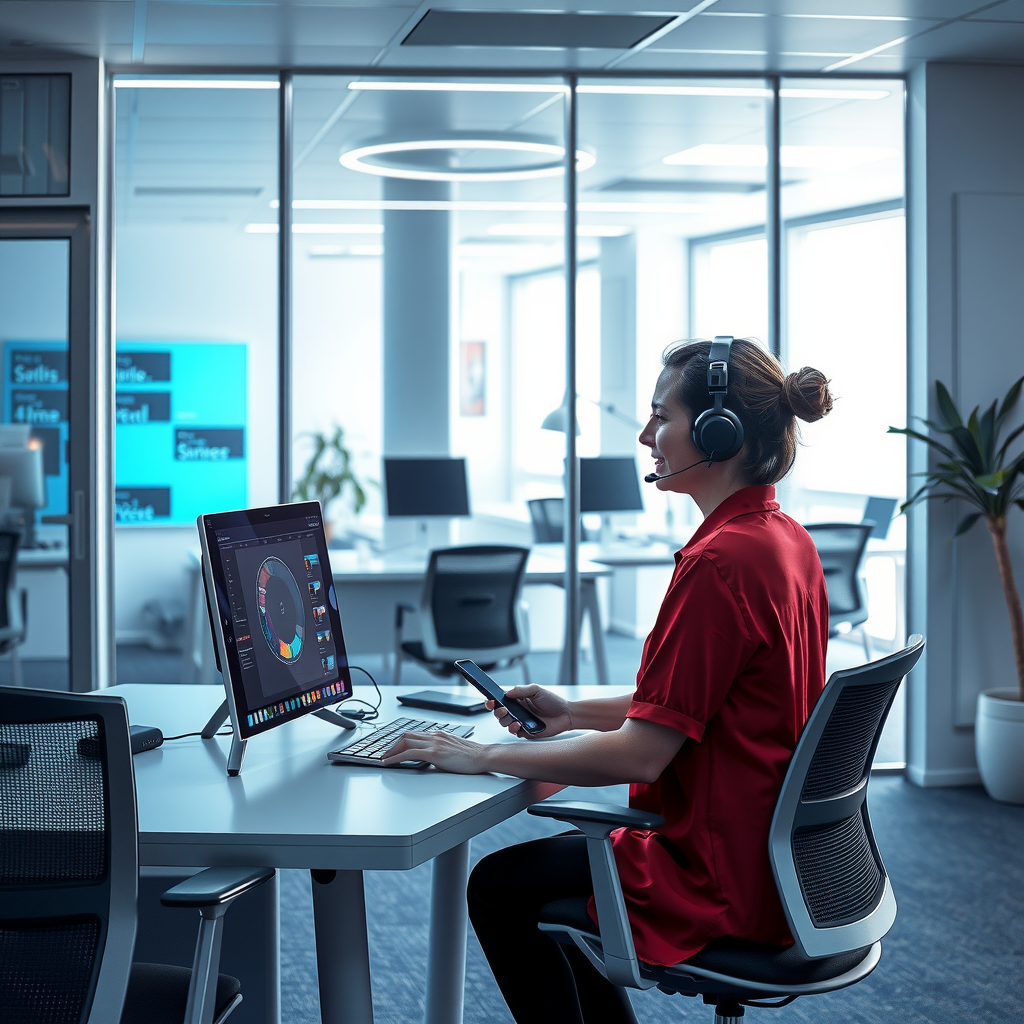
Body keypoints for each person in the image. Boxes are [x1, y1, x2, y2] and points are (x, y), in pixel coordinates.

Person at [383, 337, 835, 1024]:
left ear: (720, 432)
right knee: (541, 885)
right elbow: (699, 703)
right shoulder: (784, 540)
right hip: (776, 860)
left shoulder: (721, 563)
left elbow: (643, 752)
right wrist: (571, 714)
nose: (647, 435)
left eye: (662, 416)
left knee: (502, 888)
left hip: (716, 872)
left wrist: (480, 758)